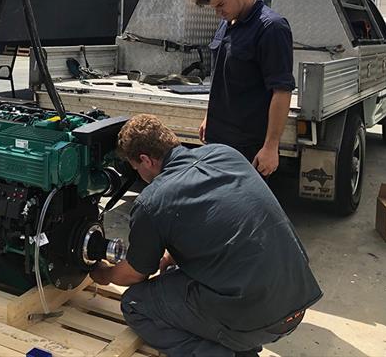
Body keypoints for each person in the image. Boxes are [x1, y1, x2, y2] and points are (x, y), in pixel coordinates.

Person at [91, 114, 322, 357]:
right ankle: (240, 345)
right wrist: (172, 254)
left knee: (135, 304)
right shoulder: (225, 154)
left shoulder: (152, 202)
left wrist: (103, 274)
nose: (138, 174)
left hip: (258, 319)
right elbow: (223, 220)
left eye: (136, 167)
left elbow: (135, 274)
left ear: (146, 160)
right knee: (174, 277)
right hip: (297, 303)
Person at [192, 0, 295, 176]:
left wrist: (270, 146)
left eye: (220, 5)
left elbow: (282, 91)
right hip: (217, 140)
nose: (218, 12)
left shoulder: (271, 28)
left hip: (248, 148)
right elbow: (222, 76)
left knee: (244, 208)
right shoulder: (227, 23)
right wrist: (209, 116)